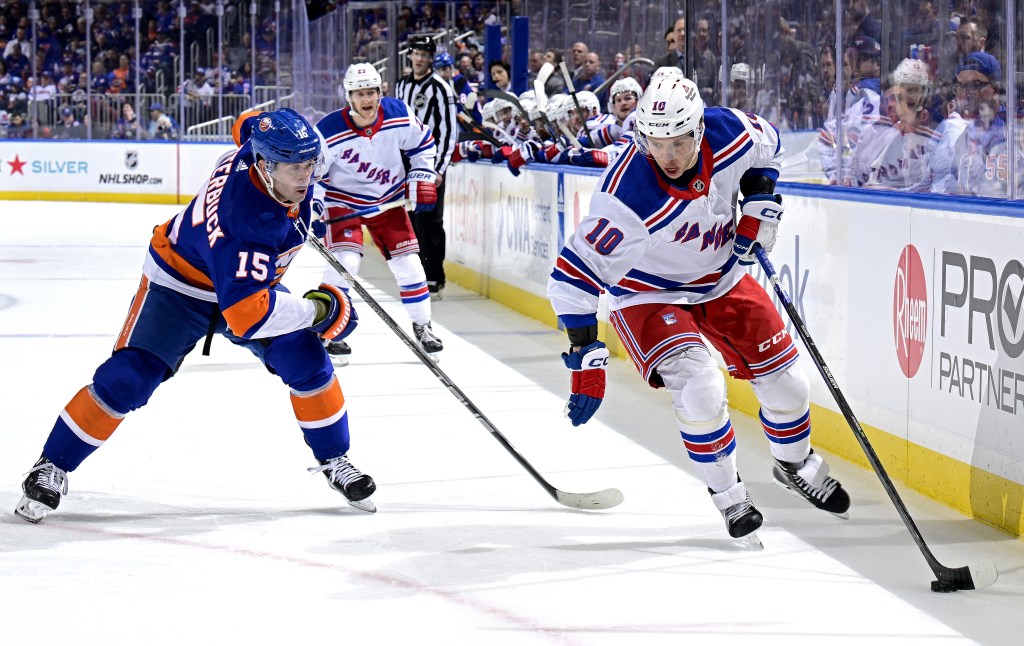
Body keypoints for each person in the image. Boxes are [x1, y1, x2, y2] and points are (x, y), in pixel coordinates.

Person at [15, 108, 376, 524]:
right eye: (296, 168)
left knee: (309, 362)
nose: (306, 176)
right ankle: (52, 464)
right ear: (265, 164)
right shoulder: (247, 219)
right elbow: (246, 316)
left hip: (247, 283)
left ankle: (335, 459)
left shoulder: (262, 147)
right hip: (180, 287)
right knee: (128, 379)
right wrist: (320, 309)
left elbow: (246, 120)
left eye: (310, 164)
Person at [546, 71, 850, 541]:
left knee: (789, 384)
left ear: (700, 129)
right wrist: (585, 358)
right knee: (701, 389)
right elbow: (571, 279)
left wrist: (759, 200)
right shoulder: (629, 194)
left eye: (678, 142)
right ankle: (730, 498)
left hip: (721, 277)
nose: (666, 156)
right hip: (648, 292)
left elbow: (768, 150)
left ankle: (795, 465)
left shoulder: (730, 130)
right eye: (655, 143)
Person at [316, 63, 444, 361]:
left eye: (371, 92)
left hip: (388, 199)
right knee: (345, 263)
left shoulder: (398, 113)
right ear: (349, 97)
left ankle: (423, 326)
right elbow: (314, 175)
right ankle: (330, 328)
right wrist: (315, 208)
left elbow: (422, 144)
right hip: (343, 201)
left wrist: (420, 175)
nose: (367, 99)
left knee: (410, 264)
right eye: (359, 93)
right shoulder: (329, 130)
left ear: (379, 91)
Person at [395, 35, 459, 301]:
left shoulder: (441, 88)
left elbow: (449, 132)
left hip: (429, 163)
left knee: (430, 221)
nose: (419, 58)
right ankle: (416, 276)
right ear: (410, 55)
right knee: (409, 221)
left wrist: (439, 168)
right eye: (416, 53)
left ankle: (434, 276)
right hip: (405, 164)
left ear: (431, 58)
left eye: (425, 54)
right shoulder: (401, 86)